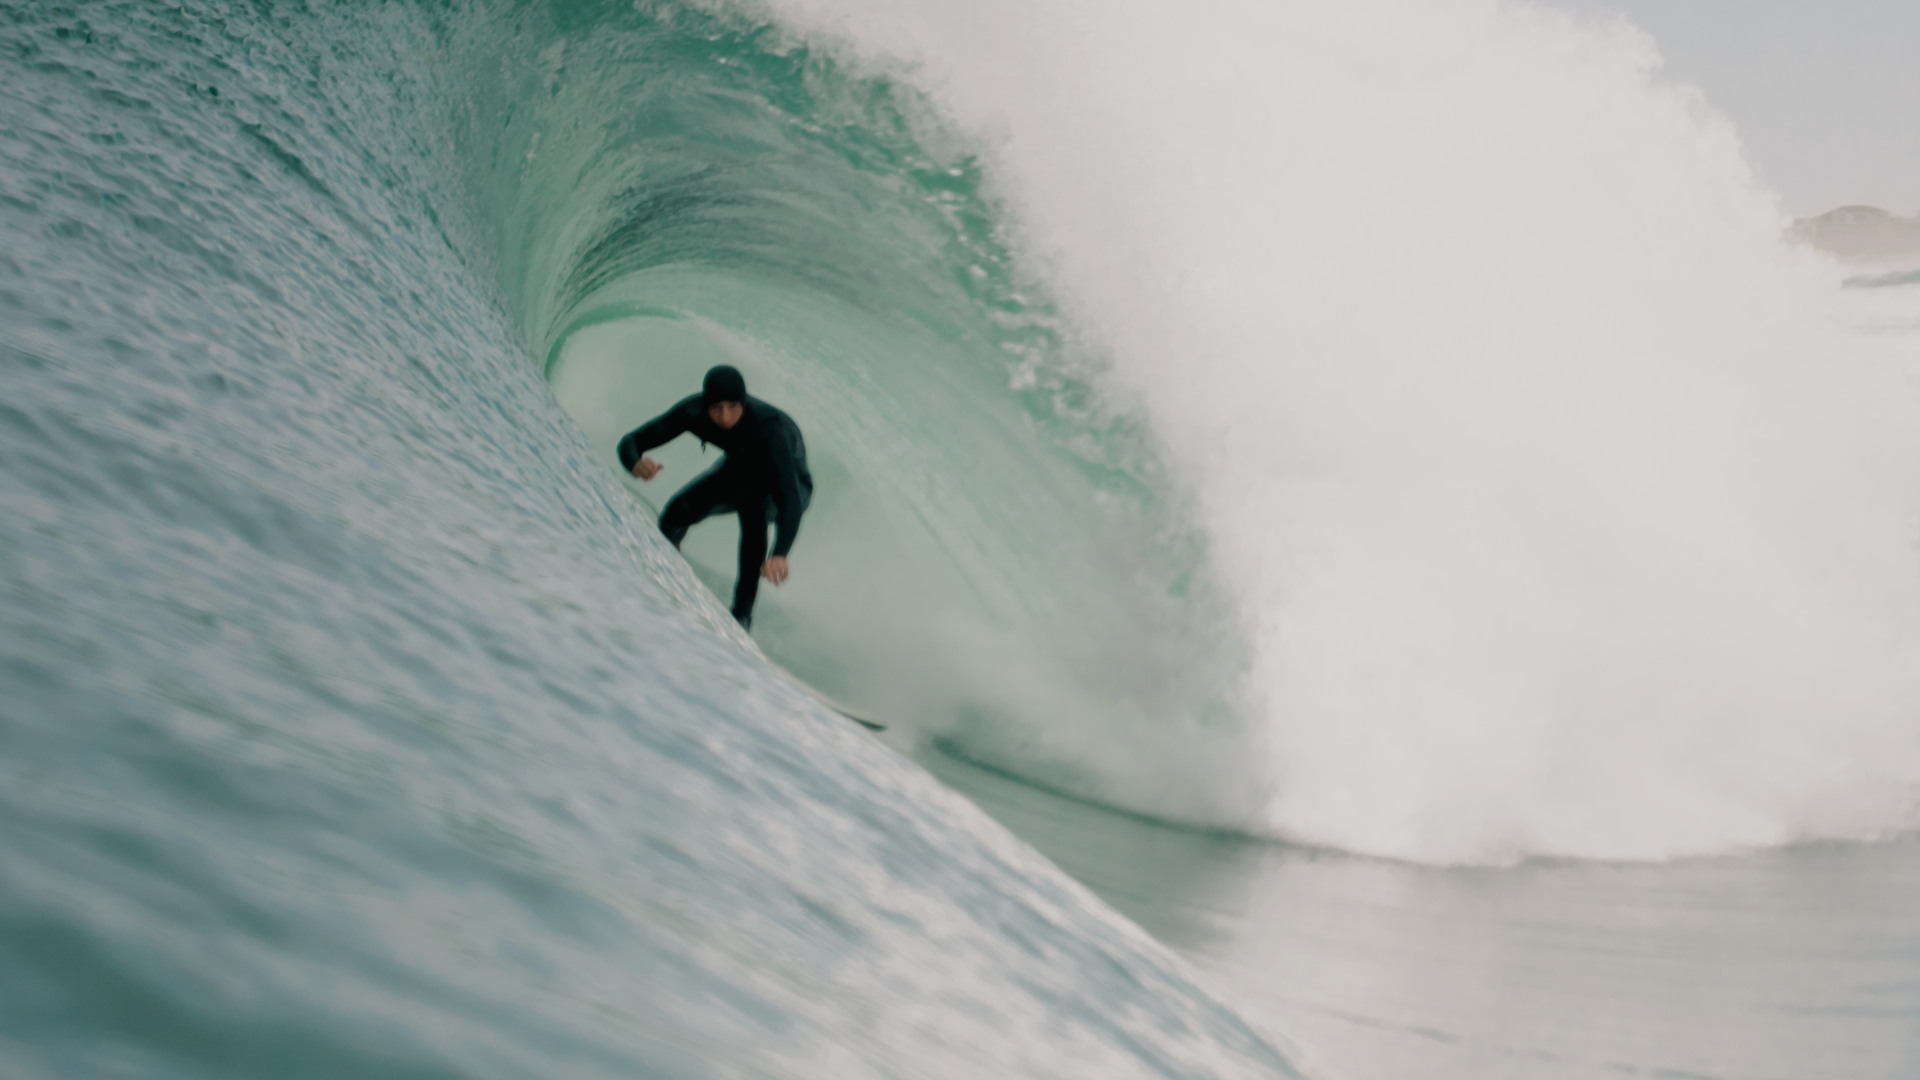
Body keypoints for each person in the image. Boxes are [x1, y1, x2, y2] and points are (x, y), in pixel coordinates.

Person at [618, 365, 812, 630]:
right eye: (716, 408)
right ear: (705, 404)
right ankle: (664, 568)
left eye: (733, 407)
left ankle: (741, 617)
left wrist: (780, 553)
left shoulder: (773, 431)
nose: (725, 417)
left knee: (752, 507)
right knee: (676, 512)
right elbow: (631, 442)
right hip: (742, 466)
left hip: (791, 486)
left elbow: (791, 501)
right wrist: (635, 463)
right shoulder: (693, 412)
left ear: (744, 403)